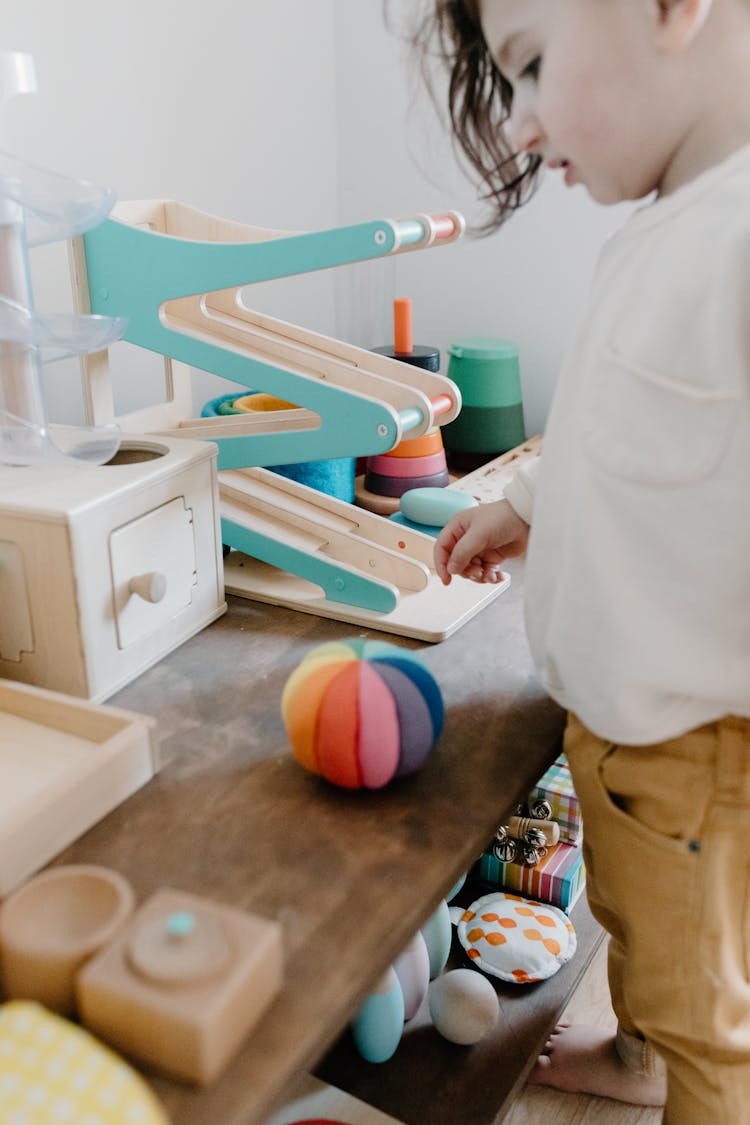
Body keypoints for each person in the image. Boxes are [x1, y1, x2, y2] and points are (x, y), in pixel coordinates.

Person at [413, 2, 750, 1121]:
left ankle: (684, 1072)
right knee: (648, 931)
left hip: (696, 739)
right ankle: (644, 1053)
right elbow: (626, 429)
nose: (519, 127)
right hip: (626, 725)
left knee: (712, 1011)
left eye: (533, 67)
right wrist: (528, 503)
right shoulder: (667, 230)